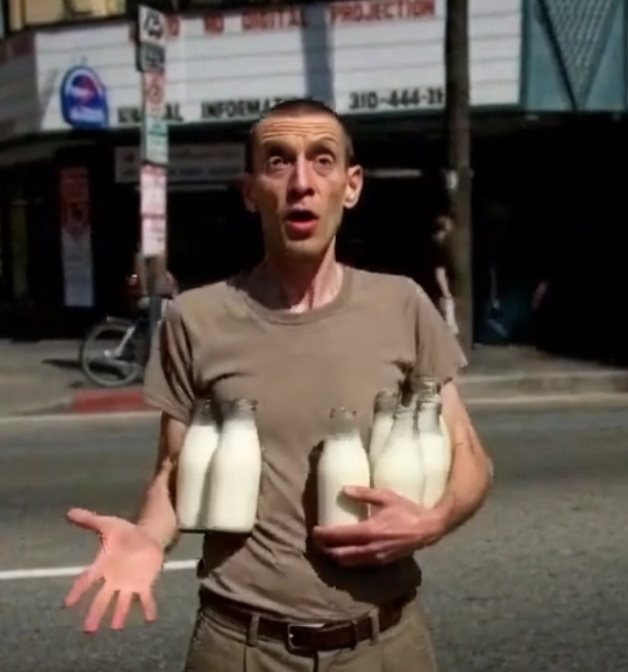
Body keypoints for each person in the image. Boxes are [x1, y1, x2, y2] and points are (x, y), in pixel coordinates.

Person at [62, 99, 492, 671]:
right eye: (279, 161)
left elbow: (469, 456)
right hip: (240, 647)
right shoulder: (195, 318)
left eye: (322, 160)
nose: (302, 182)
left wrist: (432, 522)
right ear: (250, 191)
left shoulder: (403, 305)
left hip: (387, 644)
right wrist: (147, 537)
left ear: (351, 186)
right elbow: (174, 470)